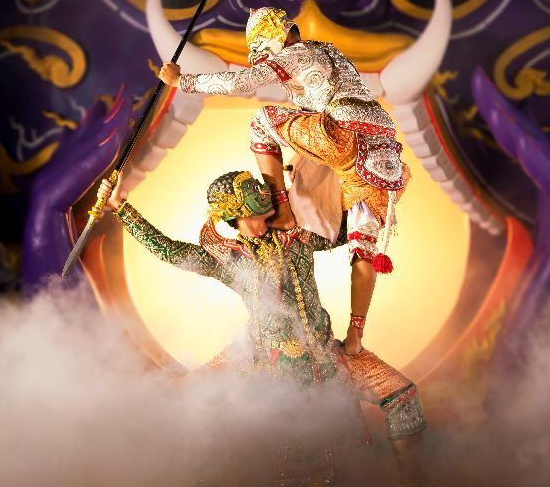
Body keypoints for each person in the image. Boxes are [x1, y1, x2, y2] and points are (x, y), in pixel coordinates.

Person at [99, 170, 426, 485]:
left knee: (404, 398)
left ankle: (412, 482)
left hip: (325, 350)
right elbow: (171, 250)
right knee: (193, 406)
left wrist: (381, 189)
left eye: (264, 212)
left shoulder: (298, 235)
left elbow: (349, 227)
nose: (261, 221)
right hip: (258, 358)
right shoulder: (226, 259)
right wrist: (122, 208)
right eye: (252, 216)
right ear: (232, 218)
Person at [158, 8, 412, 298]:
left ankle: (281, 209)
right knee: (363, 241)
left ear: (271, 41)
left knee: (262, 122)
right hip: (380, 151)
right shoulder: (328, 52)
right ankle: (357, 329)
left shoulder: (295, 53)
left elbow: (241, 82)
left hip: (342, 137)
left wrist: (182, 81)